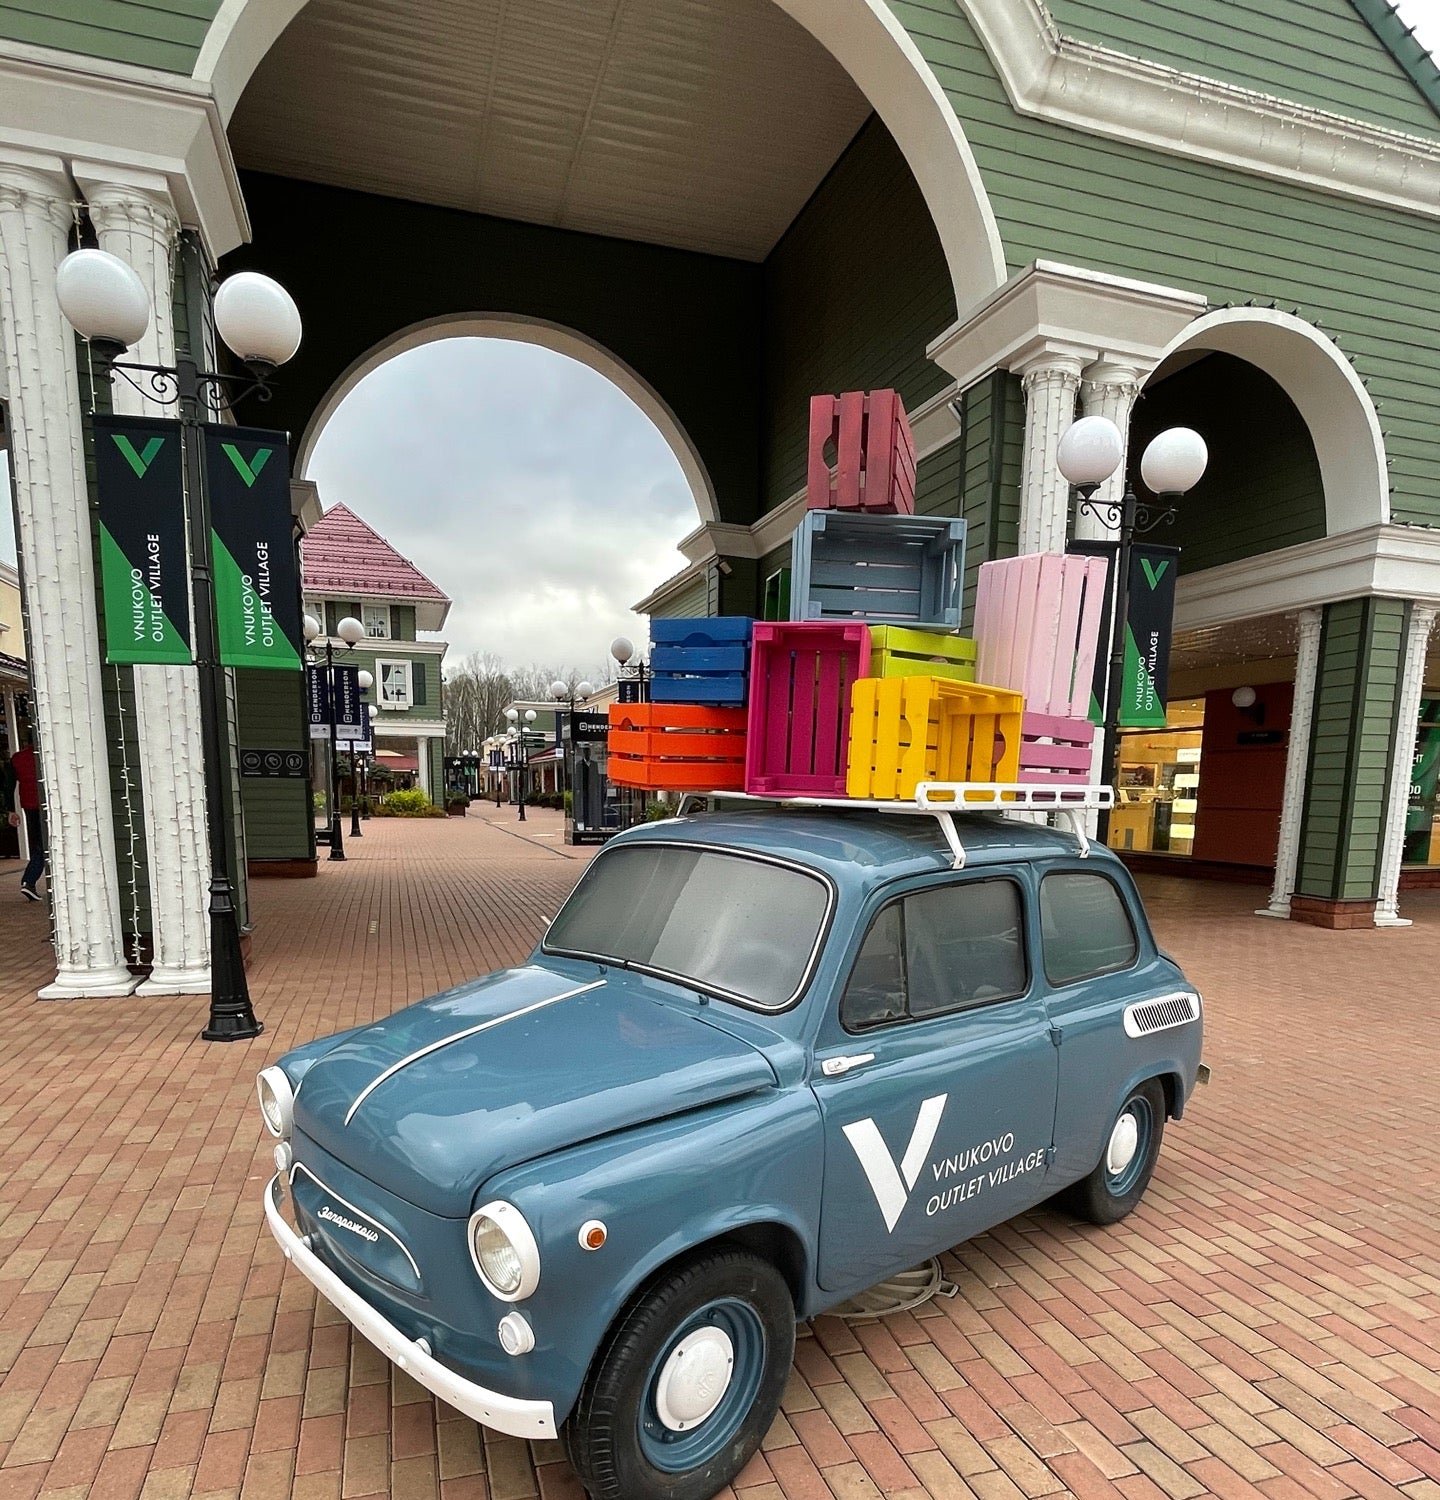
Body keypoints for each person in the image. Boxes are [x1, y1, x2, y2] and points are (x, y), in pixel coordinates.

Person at [5, 734, 45, 901]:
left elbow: (8, 786)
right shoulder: (45, 756)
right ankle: (29, 881)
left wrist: (10, 810)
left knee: (37, 844)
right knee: (45, 846)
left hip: (29, 806)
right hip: (47, 804)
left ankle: (29, 882)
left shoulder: (17, 759)